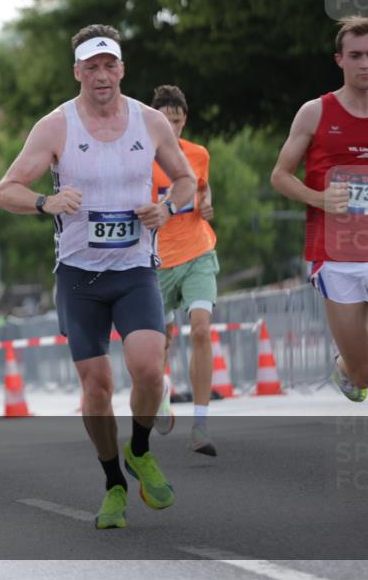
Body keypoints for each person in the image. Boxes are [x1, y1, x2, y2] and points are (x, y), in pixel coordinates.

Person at [0, 24, 196, 530]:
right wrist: (46, 201)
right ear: (77, 72)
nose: (101, 75)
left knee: (149, 368)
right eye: (92, 67)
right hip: (80, 276)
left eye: (110, 65)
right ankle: (112, 483)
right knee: (97, 388)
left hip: (134, 270)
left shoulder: (150, 123)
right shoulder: (56, 127)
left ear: (122, 70)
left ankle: (141, 449)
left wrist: (167, 207)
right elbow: (6, 189)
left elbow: (187, 180)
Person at [270, 16, 368, 514]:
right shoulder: (315, 113)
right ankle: (348, 368)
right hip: (334, 255)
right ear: (340, 60)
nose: (364, 63)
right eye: (355, 55)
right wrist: (320, 198)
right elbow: (280, 175)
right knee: (365, 371)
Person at [148, 85, 219, 456]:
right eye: (164, 121)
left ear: (184, 120)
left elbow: (203, 192)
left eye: (177, 121)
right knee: (159, 342)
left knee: (202, 330)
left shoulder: (198, 154)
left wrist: (206, 206)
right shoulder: (139, 158)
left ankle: (201, 424)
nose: (171, 129)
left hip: (197, 252)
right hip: (156, 261)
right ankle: (160, 396)